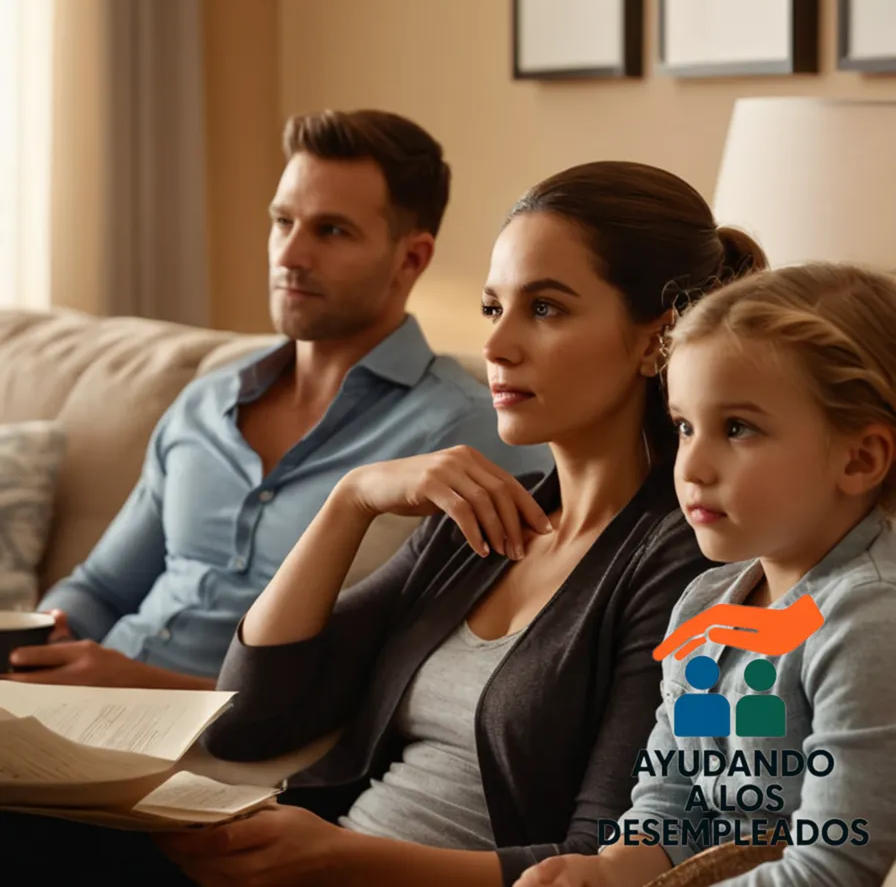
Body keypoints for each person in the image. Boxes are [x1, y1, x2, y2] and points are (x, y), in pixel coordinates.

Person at [0, 160, 763, 885]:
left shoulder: (683, 560)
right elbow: (252, 720)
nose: (495, 347)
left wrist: (338, 863)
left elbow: (598, 862)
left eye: (546, 308)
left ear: (657, 338)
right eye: (494, 307)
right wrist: (351, 501)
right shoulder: (487, 519)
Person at [8, 109, 551, 690]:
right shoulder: (205, 402)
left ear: (410, 258)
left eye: (331, 231)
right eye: (282, 221)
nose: (290, 256)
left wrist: (142, 686)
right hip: (84, 711)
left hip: (232, 751)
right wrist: (51, 636)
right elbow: (102, 589)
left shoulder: (471, 435)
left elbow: (403, 693)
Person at [518, 263, 896, 887]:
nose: (690, 465)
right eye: (685, 426)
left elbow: (833, 866)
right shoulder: (705, 603)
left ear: (860, 458)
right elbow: (671, 805)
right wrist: (607, 872)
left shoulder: (868, 620)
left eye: (738, 428)